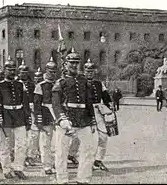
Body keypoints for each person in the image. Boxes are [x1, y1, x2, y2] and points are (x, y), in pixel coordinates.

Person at [52, 48, 97, 184]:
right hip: (67, 119)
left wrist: (92, 120)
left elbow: (89, 102)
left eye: (76, 63)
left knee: (88, 149)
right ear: (65, 64)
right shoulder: (61, 82)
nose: (74, 65)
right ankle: (62, 179)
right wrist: (62, 119)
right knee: (61, 151)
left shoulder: (85, 81)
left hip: (83, 119)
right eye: (71, 63)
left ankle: (83, 179)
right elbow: (56, 103)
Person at [0, 57, 31, 180]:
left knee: (22, 144)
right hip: (5, 116)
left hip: (19, 116)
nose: (11, 71)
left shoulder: (20, 84)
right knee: (5, 144)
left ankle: (18, 168)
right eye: (9, 69)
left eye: (13, 69)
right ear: (4, 70)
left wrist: (27, 117)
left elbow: (25, 103)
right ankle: (6, 169)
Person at [84, 59, 113, 172]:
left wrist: (110, 107)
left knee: (103, 136)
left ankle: (98, 160)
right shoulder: (81, 83)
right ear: (84, 71)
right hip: (85, 111)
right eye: (87, 71)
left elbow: (106, 97)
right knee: (88, 138)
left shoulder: (99, 84)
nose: (89, 73)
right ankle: (86, 162)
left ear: (94, 72)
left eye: (91, 71)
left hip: (97, 111)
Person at [34, 60, 58, 175]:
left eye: (54, 71)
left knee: (59, 142)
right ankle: (47, 165)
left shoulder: (58, 84)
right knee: (45, 143)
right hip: (46, 115)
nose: (52, 74)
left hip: (58, 115)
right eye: (50, 71)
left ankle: (57, 163)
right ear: (46, 71)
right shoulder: (40, 86)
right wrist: (38, 120)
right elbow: (37, 104)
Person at [18, 60, 39, 167]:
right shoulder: (16, 84)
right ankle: (21, 157)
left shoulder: (32, 85)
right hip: (19, 110)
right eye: (22, 72)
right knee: (21, 135)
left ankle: (30, 155)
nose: (24, 74)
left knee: (33, 134)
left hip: (32, 109)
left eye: (25, 72)